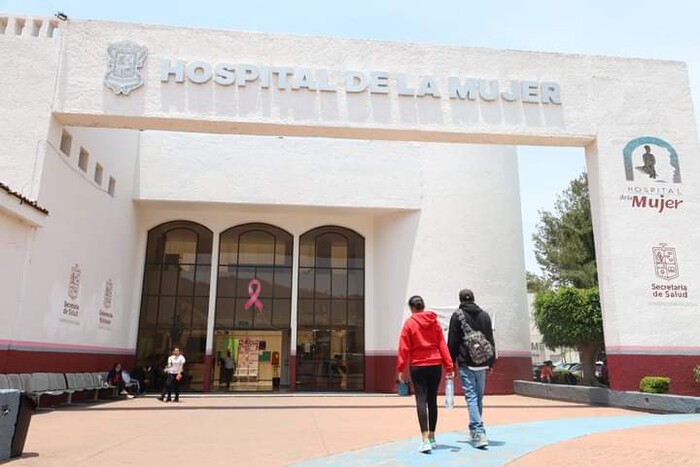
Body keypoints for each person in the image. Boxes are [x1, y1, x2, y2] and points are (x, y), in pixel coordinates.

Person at [397, 295, 455, 454]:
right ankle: (432, 436)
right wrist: (449, 366)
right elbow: (442, 344)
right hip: (435, 365)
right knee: (432, 400)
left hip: (417, 365)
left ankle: (424, 440)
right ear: (423, 306)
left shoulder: (409, 323)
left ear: (411, 308)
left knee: (421, 401)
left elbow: (403, 347)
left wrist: (400, 369)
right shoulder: (434, 322)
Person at [447, 288, 496, 449]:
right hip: (482, 362)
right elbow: (490, 339)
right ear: (474, 298)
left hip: (466, 362)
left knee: (471, 397)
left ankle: (478, 431)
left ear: (460, 300)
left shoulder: (458, 315)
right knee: (478, 397)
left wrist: (450, 363)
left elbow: (453, 342)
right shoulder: (485, 315)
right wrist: (491, 362)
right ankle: (476, 429)